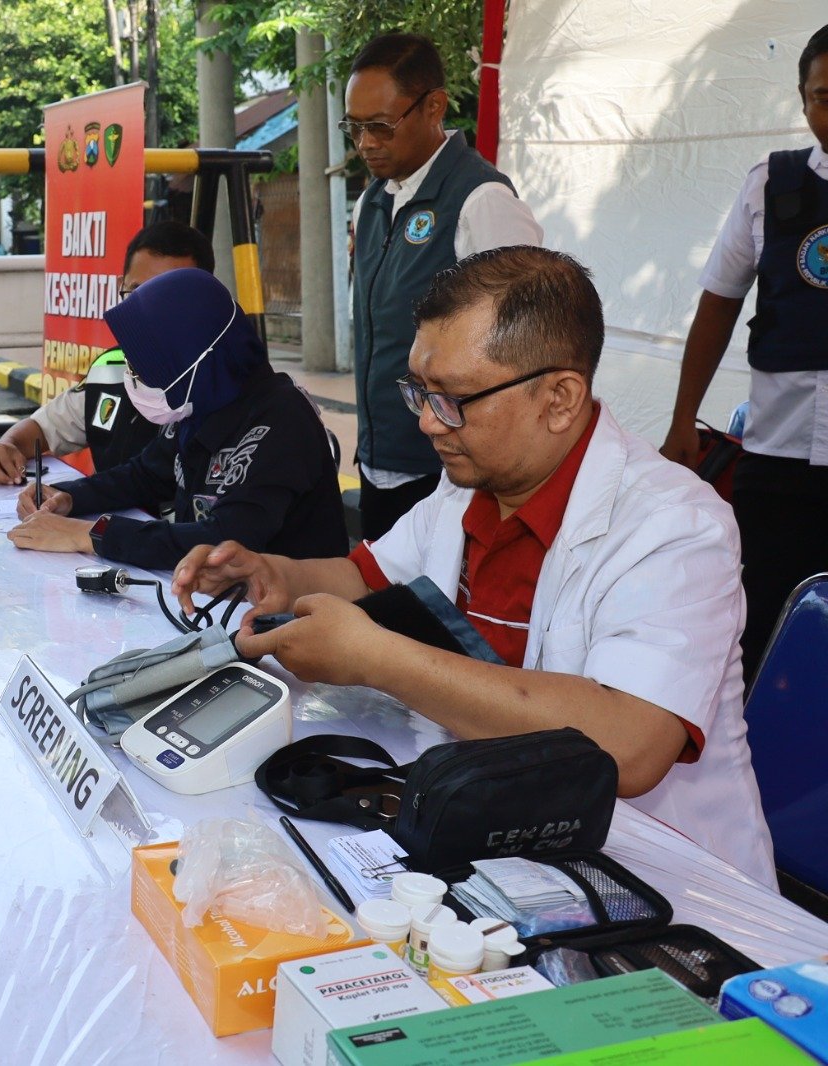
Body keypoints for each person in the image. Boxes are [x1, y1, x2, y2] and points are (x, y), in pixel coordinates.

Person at [174, 247, 775, 886]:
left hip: (667, 880)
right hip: (502, 836)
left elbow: (630, 744)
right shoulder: (468, 485)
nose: (430, 423)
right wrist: (273, 573)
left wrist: (374, 658)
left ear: (560, 398)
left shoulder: (676, 526)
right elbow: (363, 577)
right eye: (419, 392)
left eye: (455, 397)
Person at [660, 24, 828, 685]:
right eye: (822, 95)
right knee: (763, 634)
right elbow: (719, 303)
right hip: (778, 459)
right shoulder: (770, 184)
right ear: (802, 98)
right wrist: (682, 418)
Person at [7, 267, 348, 571]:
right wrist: (68, 497)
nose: (134, 378)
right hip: (213, 603)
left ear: (197, 358)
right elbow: (145, 475)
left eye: (144, 368)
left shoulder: (282, 422)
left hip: (289, 618)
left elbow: (226, 542)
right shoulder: (203, 400)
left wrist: (89, 534)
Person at [346, 32, 543, 541]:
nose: (366, 143)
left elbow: (525, 347)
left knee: (429, 618)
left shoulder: (481, 201)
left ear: (434, 106)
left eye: (381, 127)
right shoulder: (373, 202)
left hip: (448, 475)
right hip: (378, 460)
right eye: (355, 128)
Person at [0, 220, 213, 484]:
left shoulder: (225, 382)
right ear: (120, 286)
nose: (150, 311)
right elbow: (45, 426)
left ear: (206, 298)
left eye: (171, 297)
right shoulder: (110, 369)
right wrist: (7, 446)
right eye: (137, 293)